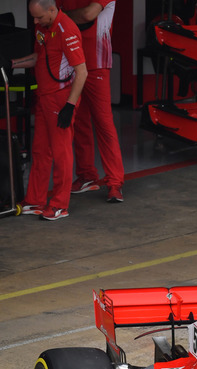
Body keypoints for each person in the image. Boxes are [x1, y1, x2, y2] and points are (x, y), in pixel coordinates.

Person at [13, 0, 87, 220]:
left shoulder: (67, 30)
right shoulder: (43, 28)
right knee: (40, 151)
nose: (35, 22)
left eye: (39, 17)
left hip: (61, 100)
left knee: (61, 153)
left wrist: (70, 106)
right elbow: (38, 58)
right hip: (44, 98)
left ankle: (59, 205)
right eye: (33, 17)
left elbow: (81, 72)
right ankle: (35, 200)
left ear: (52, 10)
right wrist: (11, 63)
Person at [58, 0, 124, 203]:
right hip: (72, 62)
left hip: (97, 64)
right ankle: (87, 175)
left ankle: (115, 182)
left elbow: (87, 14)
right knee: (79, 122)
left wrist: (58, 17)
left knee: (103, 123)